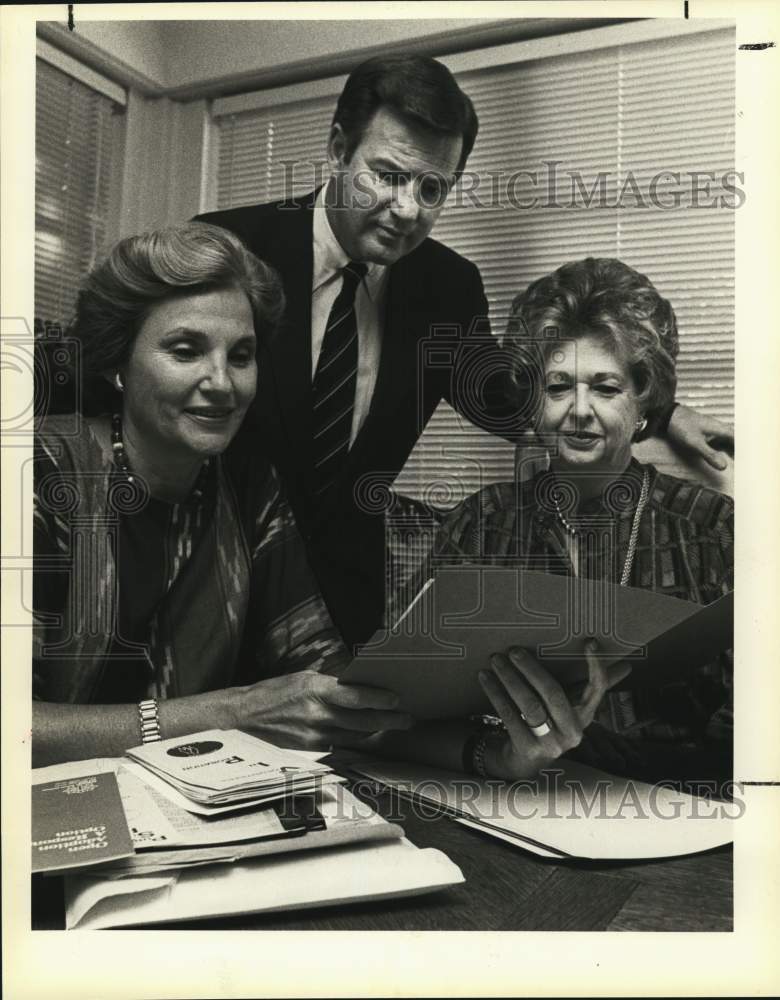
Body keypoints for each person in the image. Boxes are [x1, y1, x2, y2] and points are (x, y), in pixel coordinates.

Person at [196, 53, 732, 651]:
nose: (408, 209)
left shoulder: (446, 286)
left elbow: (511, 401)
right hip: (212, 581)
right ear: (338, 148)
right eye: (388, 175)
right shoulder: (229, 248)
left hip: (343, 603)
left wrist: (662, 409)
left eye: (432, 188)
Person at [32, 223, 412, 768]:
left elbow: (324, 686)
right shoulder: (40, 470)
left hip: (189, 812)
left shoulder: (247, 485)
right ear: (118, 362)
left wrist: (487, 752)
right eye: (186, 351)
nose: (222, 382)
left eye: (240, 355)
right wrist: (230, 712)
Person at [389, 258, 732, 779]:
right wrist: (500, 758)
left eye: (605, 387)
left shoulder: (711, 528)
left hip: (674, 815)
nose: (578, 410)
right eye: (557, 387)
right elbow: (391, 712)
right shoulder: (479, 524)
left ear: (644, 404)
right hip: (507, 804)